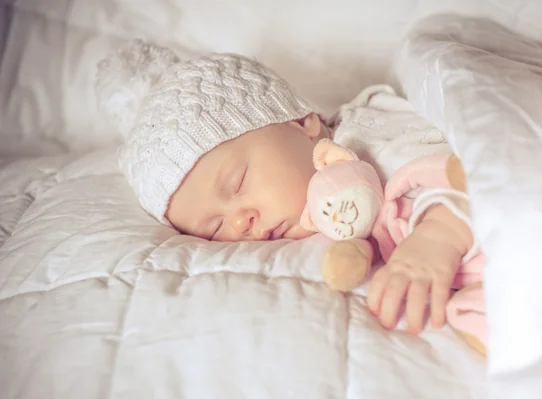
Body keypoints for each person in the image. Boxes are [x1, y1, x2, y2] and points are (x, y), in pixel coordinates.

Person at [96, 40, 474, 335]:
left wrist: (438, 236)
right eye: (214, 229)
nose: (240, 223)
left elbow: (468, 171)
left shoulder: (368, 135)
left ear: (303, 123)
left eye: (238, 182)